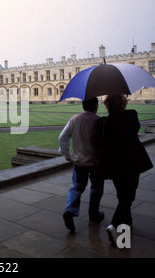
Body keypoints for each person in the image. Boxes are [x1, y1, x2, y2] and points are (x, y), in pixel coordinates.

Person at [94, 95, 153, 246]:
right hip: (132, 163)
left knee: (123, 195)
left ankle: (127, 225)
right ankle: (114, 226)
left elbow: (97, 144)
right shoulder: (131, 116)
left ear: (106, 106)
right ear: (124, 104)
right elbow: (135, 129)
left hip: (114, 166)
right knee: (128, 197)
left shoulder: (102, 122)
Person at [59, 97, 104, 232]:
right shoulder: (99, 120)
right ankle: (94, 214)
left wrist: (66, 153)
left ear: (83, 105)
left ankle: (70, 210)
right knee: (96, 188)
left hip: (79, 161)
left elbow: (62, 137)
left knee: (77, 187)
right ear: (96, 106)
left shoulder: (74, 119)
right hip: (95, 162)